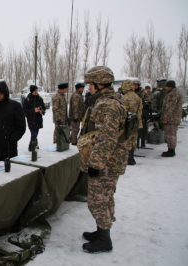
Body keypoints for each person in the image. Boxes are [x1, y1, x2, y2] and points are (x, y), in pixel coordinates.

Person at [79, 66, 129, 254]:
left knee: (97, 201)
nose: (88, 88)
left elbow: (106, 138)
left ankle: (104, 240)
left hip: (106, 163)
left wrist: (96, 164)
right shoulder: (110, 101)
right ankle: (102, 232)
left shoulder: (106, 105)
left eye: (90, 84)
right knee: (105, 197)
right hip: (111, 161)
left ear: (100, 84)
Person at [121, 79, 143, 165]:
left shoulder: (125, 98)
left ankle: (127, 159)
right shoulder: (138, 97)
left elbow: (123, 112)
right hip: (135, 123)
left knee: (126, 140)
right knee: (133, 140)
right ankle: (132, 158)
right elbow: (140, 111)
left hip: (127, 123)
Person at [161, 80, 183, 157]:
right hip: (174, 118)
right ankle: (171, 149)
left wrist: (165, 118)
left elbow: (169, 107)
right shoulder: (177, 93)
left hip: (171, 119)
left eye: (166, 86)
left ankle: (171, 150)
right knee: (172, 134)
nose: (165, 88)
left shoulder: (172, 95)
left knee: (170, 135)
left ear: (170, 86)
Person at [23, 85, 45, 151]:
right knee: (33, 133)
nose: (36, 92)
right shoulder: (28, 99)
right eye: (35, 91)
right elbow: (24, 111)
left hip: (38, 119)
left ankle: (34, 144)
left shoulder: (40, 98)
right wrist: (33, 110)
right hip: (31, 119)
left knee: (36, 133)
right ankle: (32, 146)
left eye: (37, 90)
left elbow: (43, 108)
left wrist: (42, 111)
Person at [134, 80, 150, 148]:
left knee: (143, 128)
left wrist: (144, 103)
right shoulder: (132, 93)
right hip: (135, 112)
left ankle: (142, 142)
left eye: (136, 85)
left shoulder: (143, 92)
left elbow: (148, 101)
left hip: (143, 112)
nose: (134, 86)